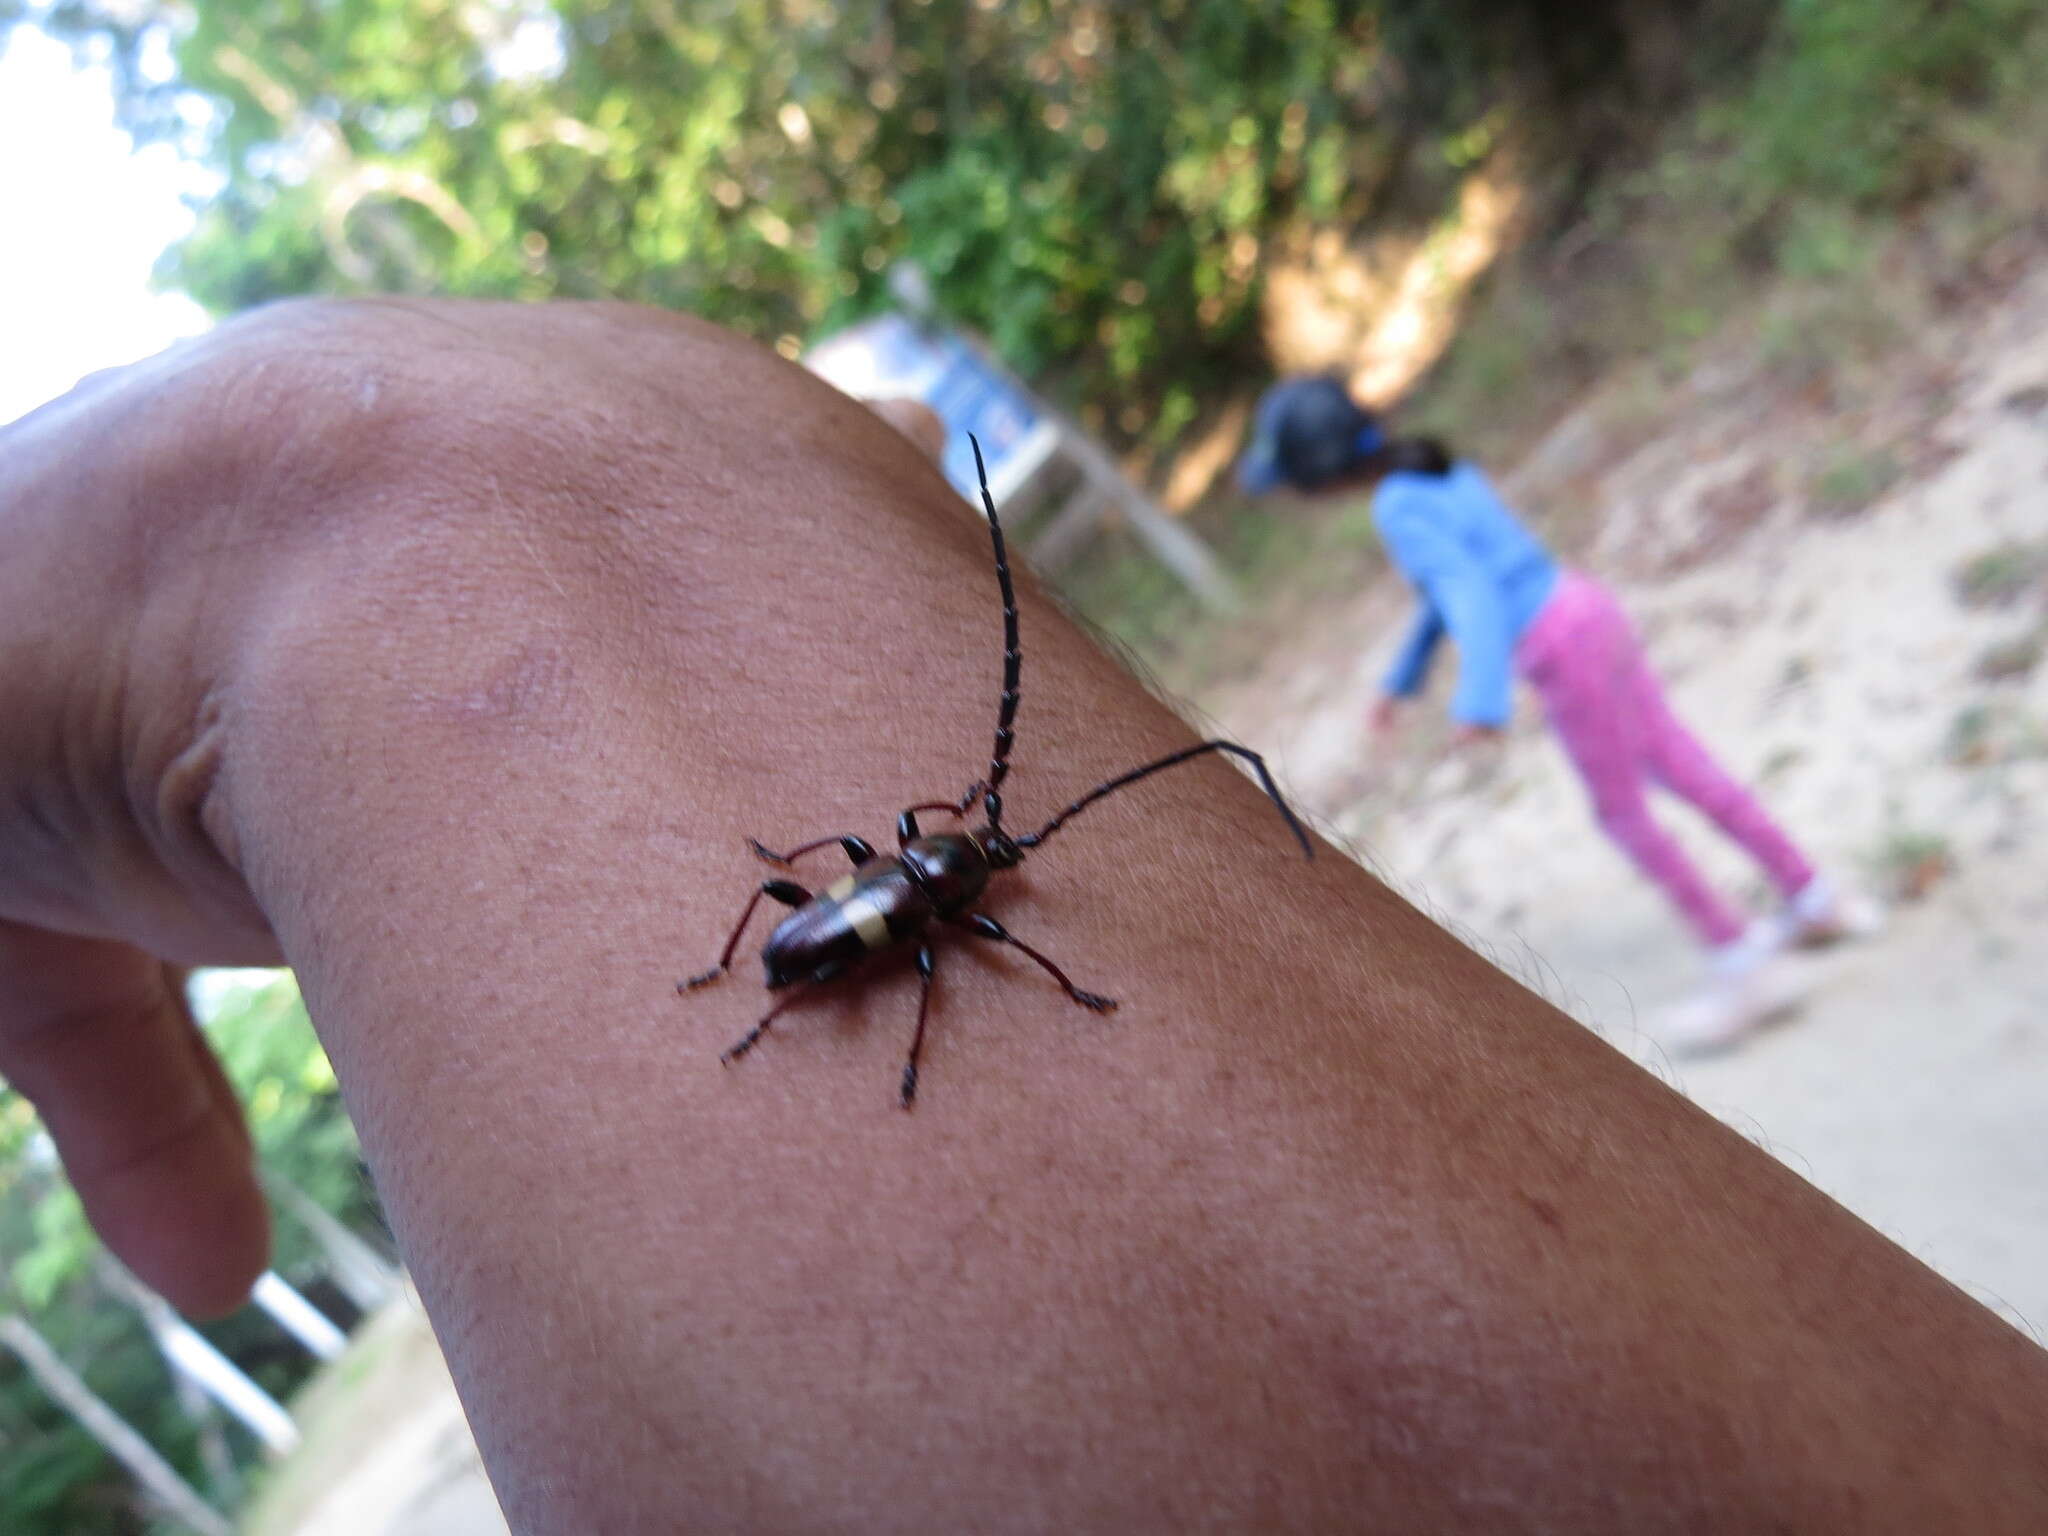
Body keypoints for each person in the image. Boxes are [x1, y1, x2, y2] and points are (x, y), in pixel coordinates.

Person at [2, 301, 2043, 1531]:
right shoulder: (901, 904)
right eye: (968, 872)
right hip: (802, 960)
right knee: (828, 938)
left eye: (964, 871)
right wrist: (817, 956)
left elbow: (961, 896)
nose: (976, 875)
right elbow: (927, 919)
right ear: (935, 881)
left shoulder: (937, 885)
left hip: (820, 947)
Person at [1238, 375, 1879, 1048]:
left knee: (1622, 815)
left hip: (1558, 649)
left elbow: (1471, 594)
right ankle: (1815, 897)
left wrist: (1480, 702)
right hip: (1586, 609)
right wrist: (1402, 680)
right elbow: (1450, 592)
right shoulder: (1431, 466)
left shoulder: (1396, 508)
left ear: (1317, 475)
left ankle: (1742, 964)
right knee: (1684, 767)